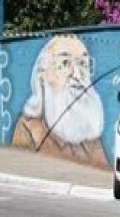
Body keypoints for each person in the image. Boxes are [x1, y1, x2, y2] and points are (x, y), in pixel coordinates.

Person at [12, 35, 107, 168]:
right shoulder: (29, 128)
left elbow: (101, 175)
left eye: (83, 64)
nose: (77, 75)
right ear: (41, 77)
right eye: (65, 63)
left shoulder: (88, 128)